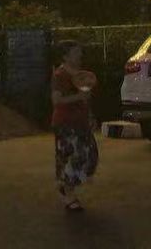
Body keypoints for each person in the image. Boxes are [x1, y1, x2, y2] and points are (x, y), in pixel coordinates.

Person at [51, 40, 98, 213]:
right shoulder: (60, 75)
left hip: (81, 122)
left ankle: (67, 185)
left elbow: (85, 100)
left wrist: (90, 116)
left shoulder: (81, 75)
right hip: (65, 123)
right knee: (73, 157)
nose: (80, 56)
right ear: (66, 56)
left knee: (91, 155)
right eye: (76, 53)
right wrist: (79, 97)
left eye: (80, 52)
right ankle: (68, 193)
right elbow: (57, 100)